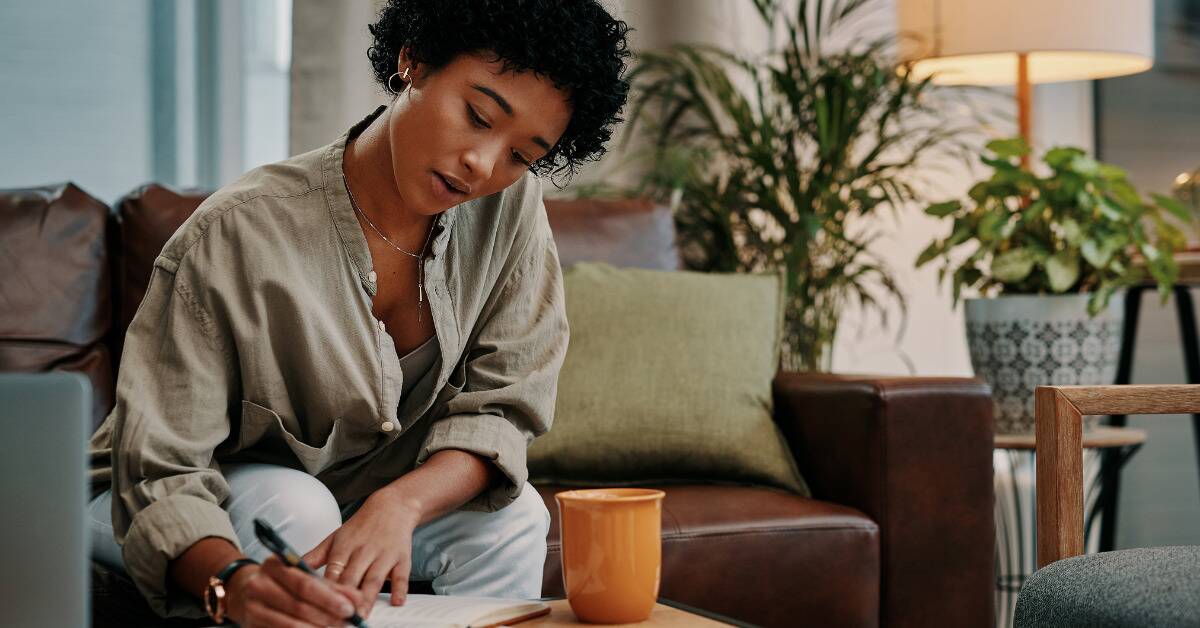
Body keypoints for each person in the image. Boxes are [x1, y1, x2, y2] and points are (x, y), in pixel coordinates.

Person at [86, 1, 632, 625]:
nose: (484, 164)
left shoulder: (510, 213)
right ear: (413, 62)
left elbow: (503, 405)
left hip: (359, 491)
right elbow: (162, 468)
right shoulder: (239, 232)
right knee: (298, 506)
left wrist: (398, 506)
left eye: (521, 155)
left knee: (514, 517)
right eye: (478, 116)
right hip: (137, 496)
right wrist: (229, 581)